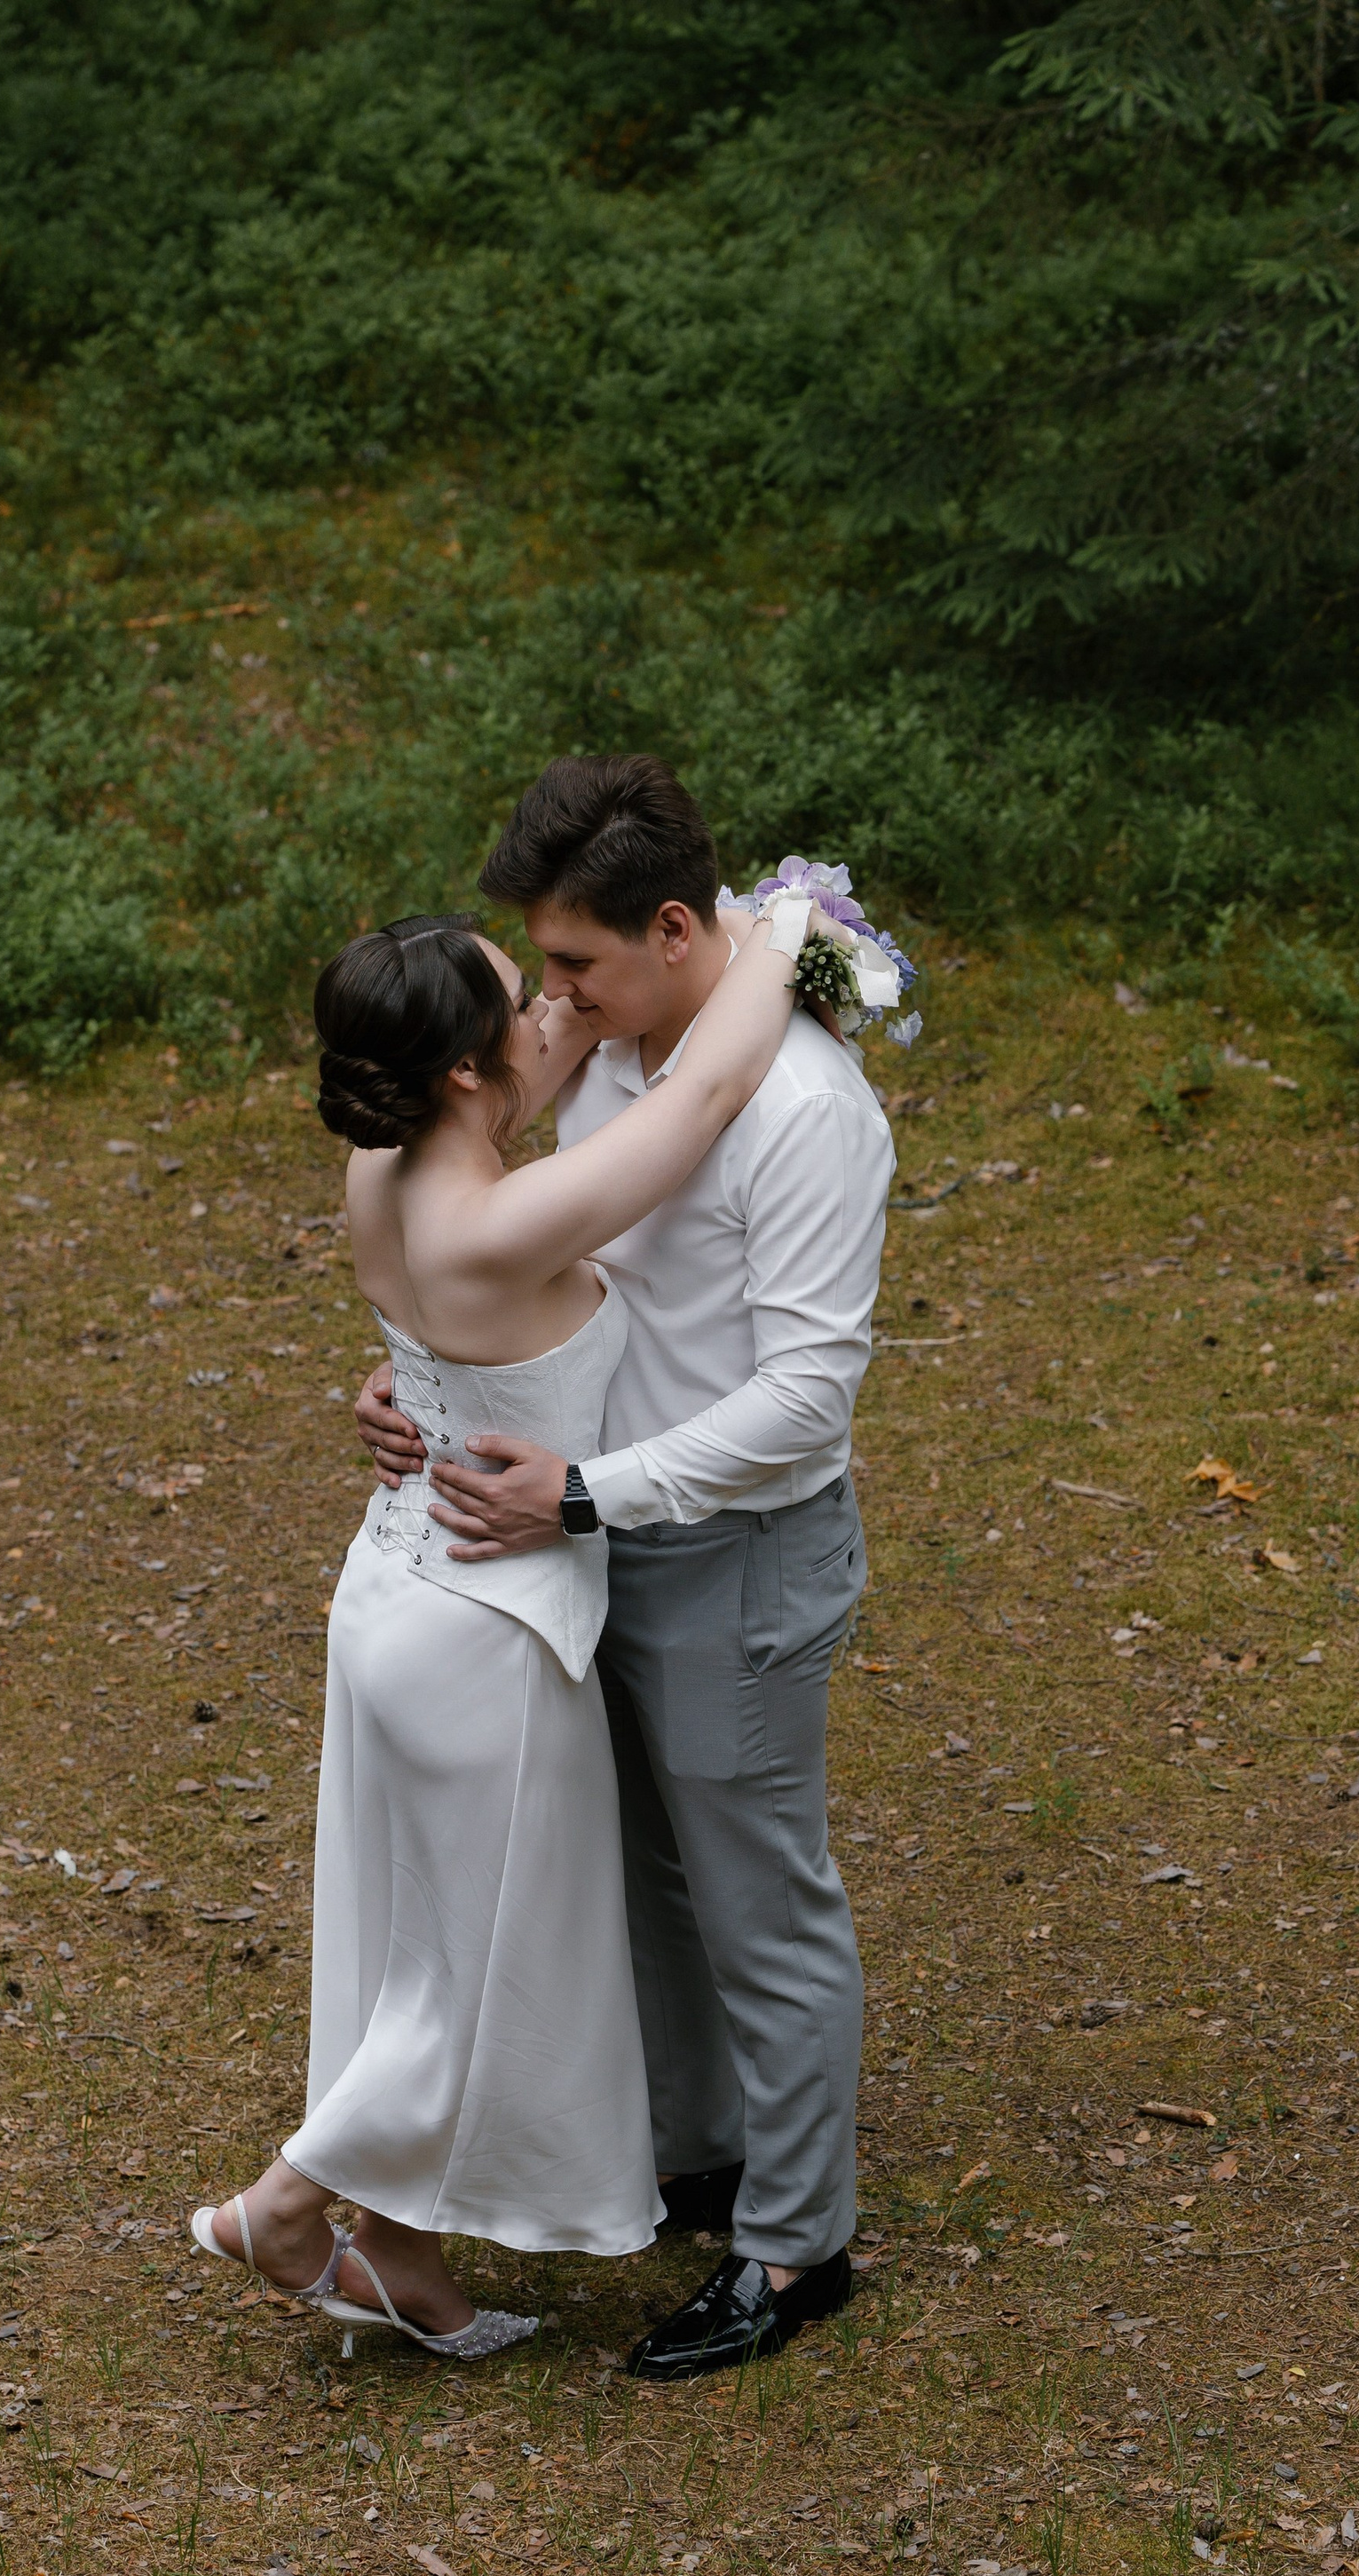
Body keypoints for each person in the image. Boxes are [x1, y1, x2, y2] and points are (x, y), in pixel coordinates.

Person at [189, 897, 808, 2355]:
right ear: (464, 1069)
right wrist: (791, 925)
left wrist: (572, 1010)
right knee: (477, 1976)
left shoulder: (382, 1164)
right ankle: (290, 2204)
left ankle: (404, 2255)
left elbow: (518, 1108)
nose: (552, 1010)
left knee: (411, 1942)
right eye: (521, 1000)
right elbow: (709, 1094)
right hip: (490, 1631)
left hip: (393, 1588)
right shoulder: (507, 1220)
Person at [356, 756, 896, 2381]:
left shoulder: (805, 1112)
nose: (554, 1002)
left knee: (760, 1905)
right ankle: (705, 2155)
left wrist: (587, 1493)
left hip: (731, 1550)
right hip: (588, 1537)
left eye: (576, 965)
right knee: (650, 1881)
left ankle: (797, 2247)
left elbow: (805, 1403)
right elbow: (517, 1243)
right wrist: (429, 1374)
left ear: (673, 928)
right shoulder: (605, 1049)